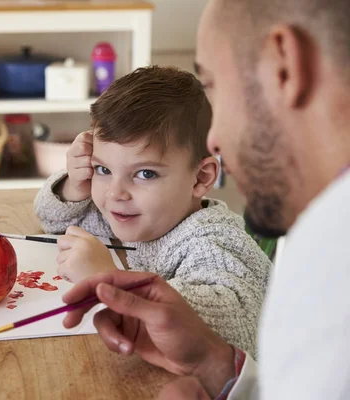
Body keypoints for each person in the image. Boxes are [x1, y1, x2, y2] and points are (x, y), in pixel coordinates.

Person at [61, 0, 350, 398]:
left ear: (284, 64)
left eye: (214, 85)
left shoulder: (338, 267)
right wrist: (218, 369)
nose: (215, 140)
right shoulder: (325, 230)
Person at [34, 66, 272, 356]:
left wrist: (109, 280)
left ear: (201, 178)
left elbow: (230, 326)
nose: (115, 193)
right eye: (104, 169)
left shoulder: (214, 241)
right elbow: (52, 221)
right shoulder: (126, 214)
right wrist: (75, 184)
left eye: (145, 174)